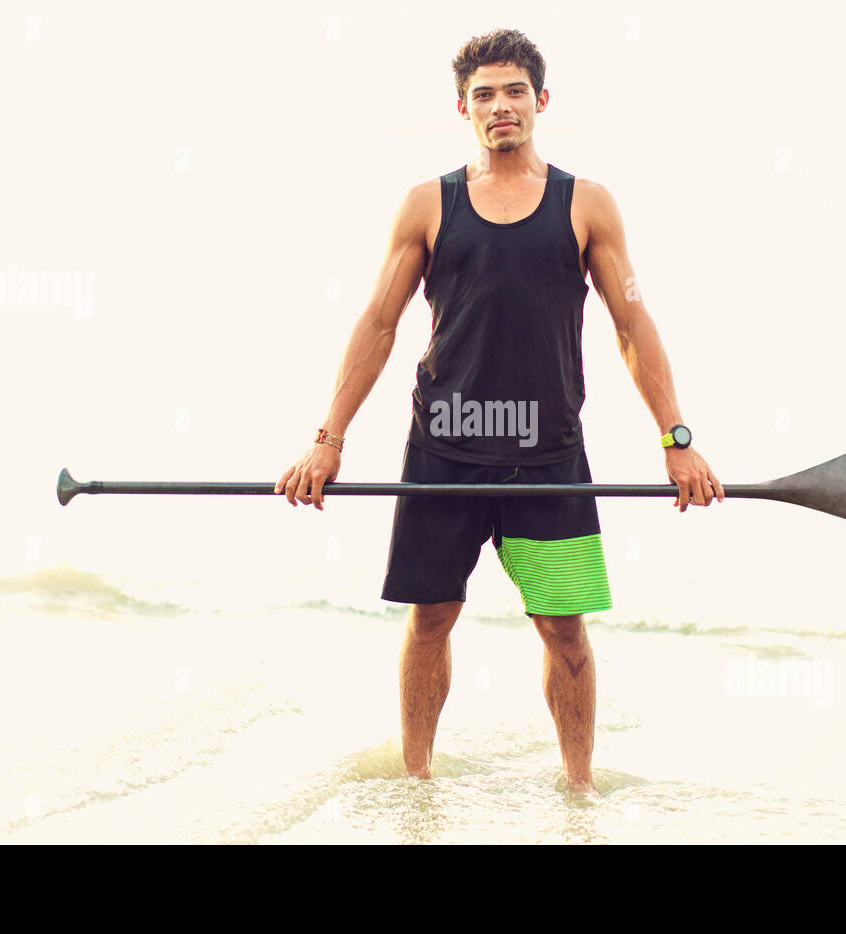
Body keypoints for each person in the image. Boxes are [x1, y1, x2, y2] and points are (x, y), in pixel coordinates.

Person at [275, 28, 723, 795]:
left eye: (515, 91)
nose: (501, 106)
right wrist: (328, 440)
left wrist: (676, 438)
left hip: (547, 453)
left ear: (541, 101)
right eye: (484, 94)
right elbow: (379, 324)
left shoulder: (585, 203)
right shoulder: (428, 204)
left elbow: (631, 324)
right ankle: (417, 785)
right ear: (463, 109)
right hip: (443, 451)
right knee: (431, 619)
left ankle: (578, 792)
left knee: (564, 631)